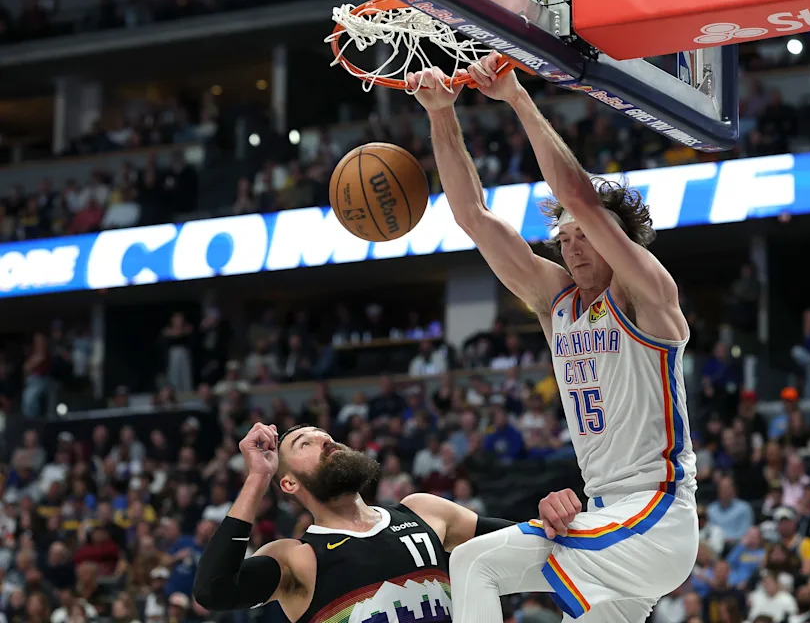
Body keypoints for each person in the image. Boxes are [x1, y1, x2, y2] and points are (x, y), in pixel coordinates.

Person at [408, 52, 697, 623]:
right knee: (477, 566)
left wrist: (517, 97)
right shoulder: (556, 303)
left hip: (656, 517)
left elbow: (583, 199)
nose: (571, 245)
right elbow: (474, 216)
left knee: (475, 562)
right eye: (562, 237)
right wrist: (441, 113)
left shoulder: (645, 295)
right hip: (608, 517)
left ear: (620, 240)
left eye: (583, 235)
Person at [193, 422, 514, 621]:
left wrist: (551, 513)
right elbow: (213, 590)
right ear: (288, 483)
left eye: (327, 436)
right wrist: (259, 478)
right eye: (306, 443)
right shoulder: (296, 558)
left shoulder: (422, 511)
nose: (326, 441)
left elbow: (523, 542)